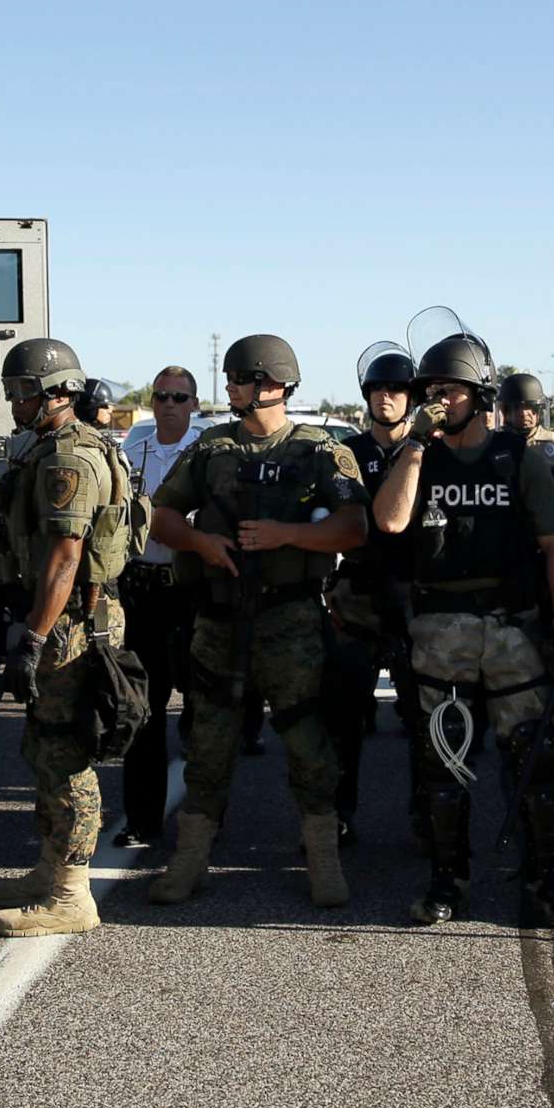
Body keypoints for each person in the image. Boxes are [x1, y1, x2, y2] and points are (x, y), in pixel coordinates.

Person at [371, 329, 554, 927]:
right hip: (441, 631)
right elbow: (389, 522)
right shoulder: (417, 456)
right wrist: (413, 448)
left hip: (513, 628)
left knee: (534, 761)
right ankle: (448, 878)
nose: (439, 400)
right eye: (431, 390)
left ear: (480, 392)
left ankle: (550, 876)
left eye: (452, 390)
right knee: (445, 762)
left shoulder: (518, 457)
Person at [144, 335, 365, 909]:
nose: (230, 388)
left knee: (306, 741)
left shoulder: (319, 451)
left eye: (239, 378)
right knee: (208, 743)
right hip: (218, 620)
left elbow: (353, 528)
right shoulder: (213, 448)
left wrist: (286, 535)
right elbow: (160, 517)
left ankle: (323, 860)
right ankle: (190, 861)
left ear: (271, 384)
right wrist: (201, 542)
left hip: (289, 619)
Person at [0, 337, 133, 937]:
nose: (15, 402)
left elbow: (66, 558)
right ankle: (49, 871)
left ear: (58, 394)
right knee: (44, 749)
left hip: (70, 624)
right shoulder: (46, 448)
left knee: (68, 756)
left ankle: (74, 894)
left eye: (23, 392)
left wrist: (35, 637)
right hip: (57, 620)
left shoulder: (69, 458)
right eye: (13, 391)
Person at [324, 344, 421, 846]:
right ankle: (336, 815)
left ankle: (430, 819)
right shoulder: (350, 455)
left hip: (415, 597)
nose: (386, 397)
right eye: (378, 389)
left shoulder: (431, 451)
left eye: (398, 389)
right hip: (357, 596)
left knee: (425, 717)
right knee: (342, 717)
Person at [113, 367, 204, 849]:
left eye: (178, 396)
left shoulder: (209, 449)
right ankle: (142, 820)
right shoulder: (132, 450)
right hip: (144, 591)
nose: (168, 403)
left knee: (202, 711)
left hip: (192, 592)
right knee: (144, 710)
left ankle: (203, 824)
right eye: (161, 396)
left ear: (193, 403)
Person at [500, 373, 554, 469]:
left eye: (531, 407)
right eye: (517, 407)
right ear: (506, 411)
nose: (524, 413)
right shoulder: (495, 442)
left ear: (539, 410)